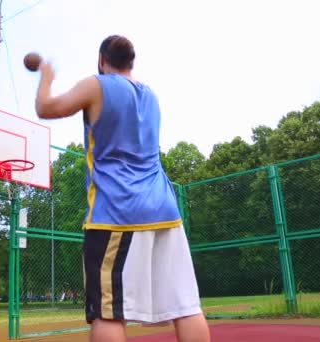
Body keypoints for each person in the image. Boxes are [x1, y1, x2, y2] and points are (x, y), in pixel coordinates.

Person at [34, 35, 210, 342]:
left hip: (117, 211)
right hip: (166, 209)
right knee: (186, 306)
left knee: (108, 313)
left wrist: (46, 77)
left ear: (102, 60)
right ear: (132, 62)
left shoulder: (97, 84)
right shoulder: (150, 95)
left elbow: (46, 108)